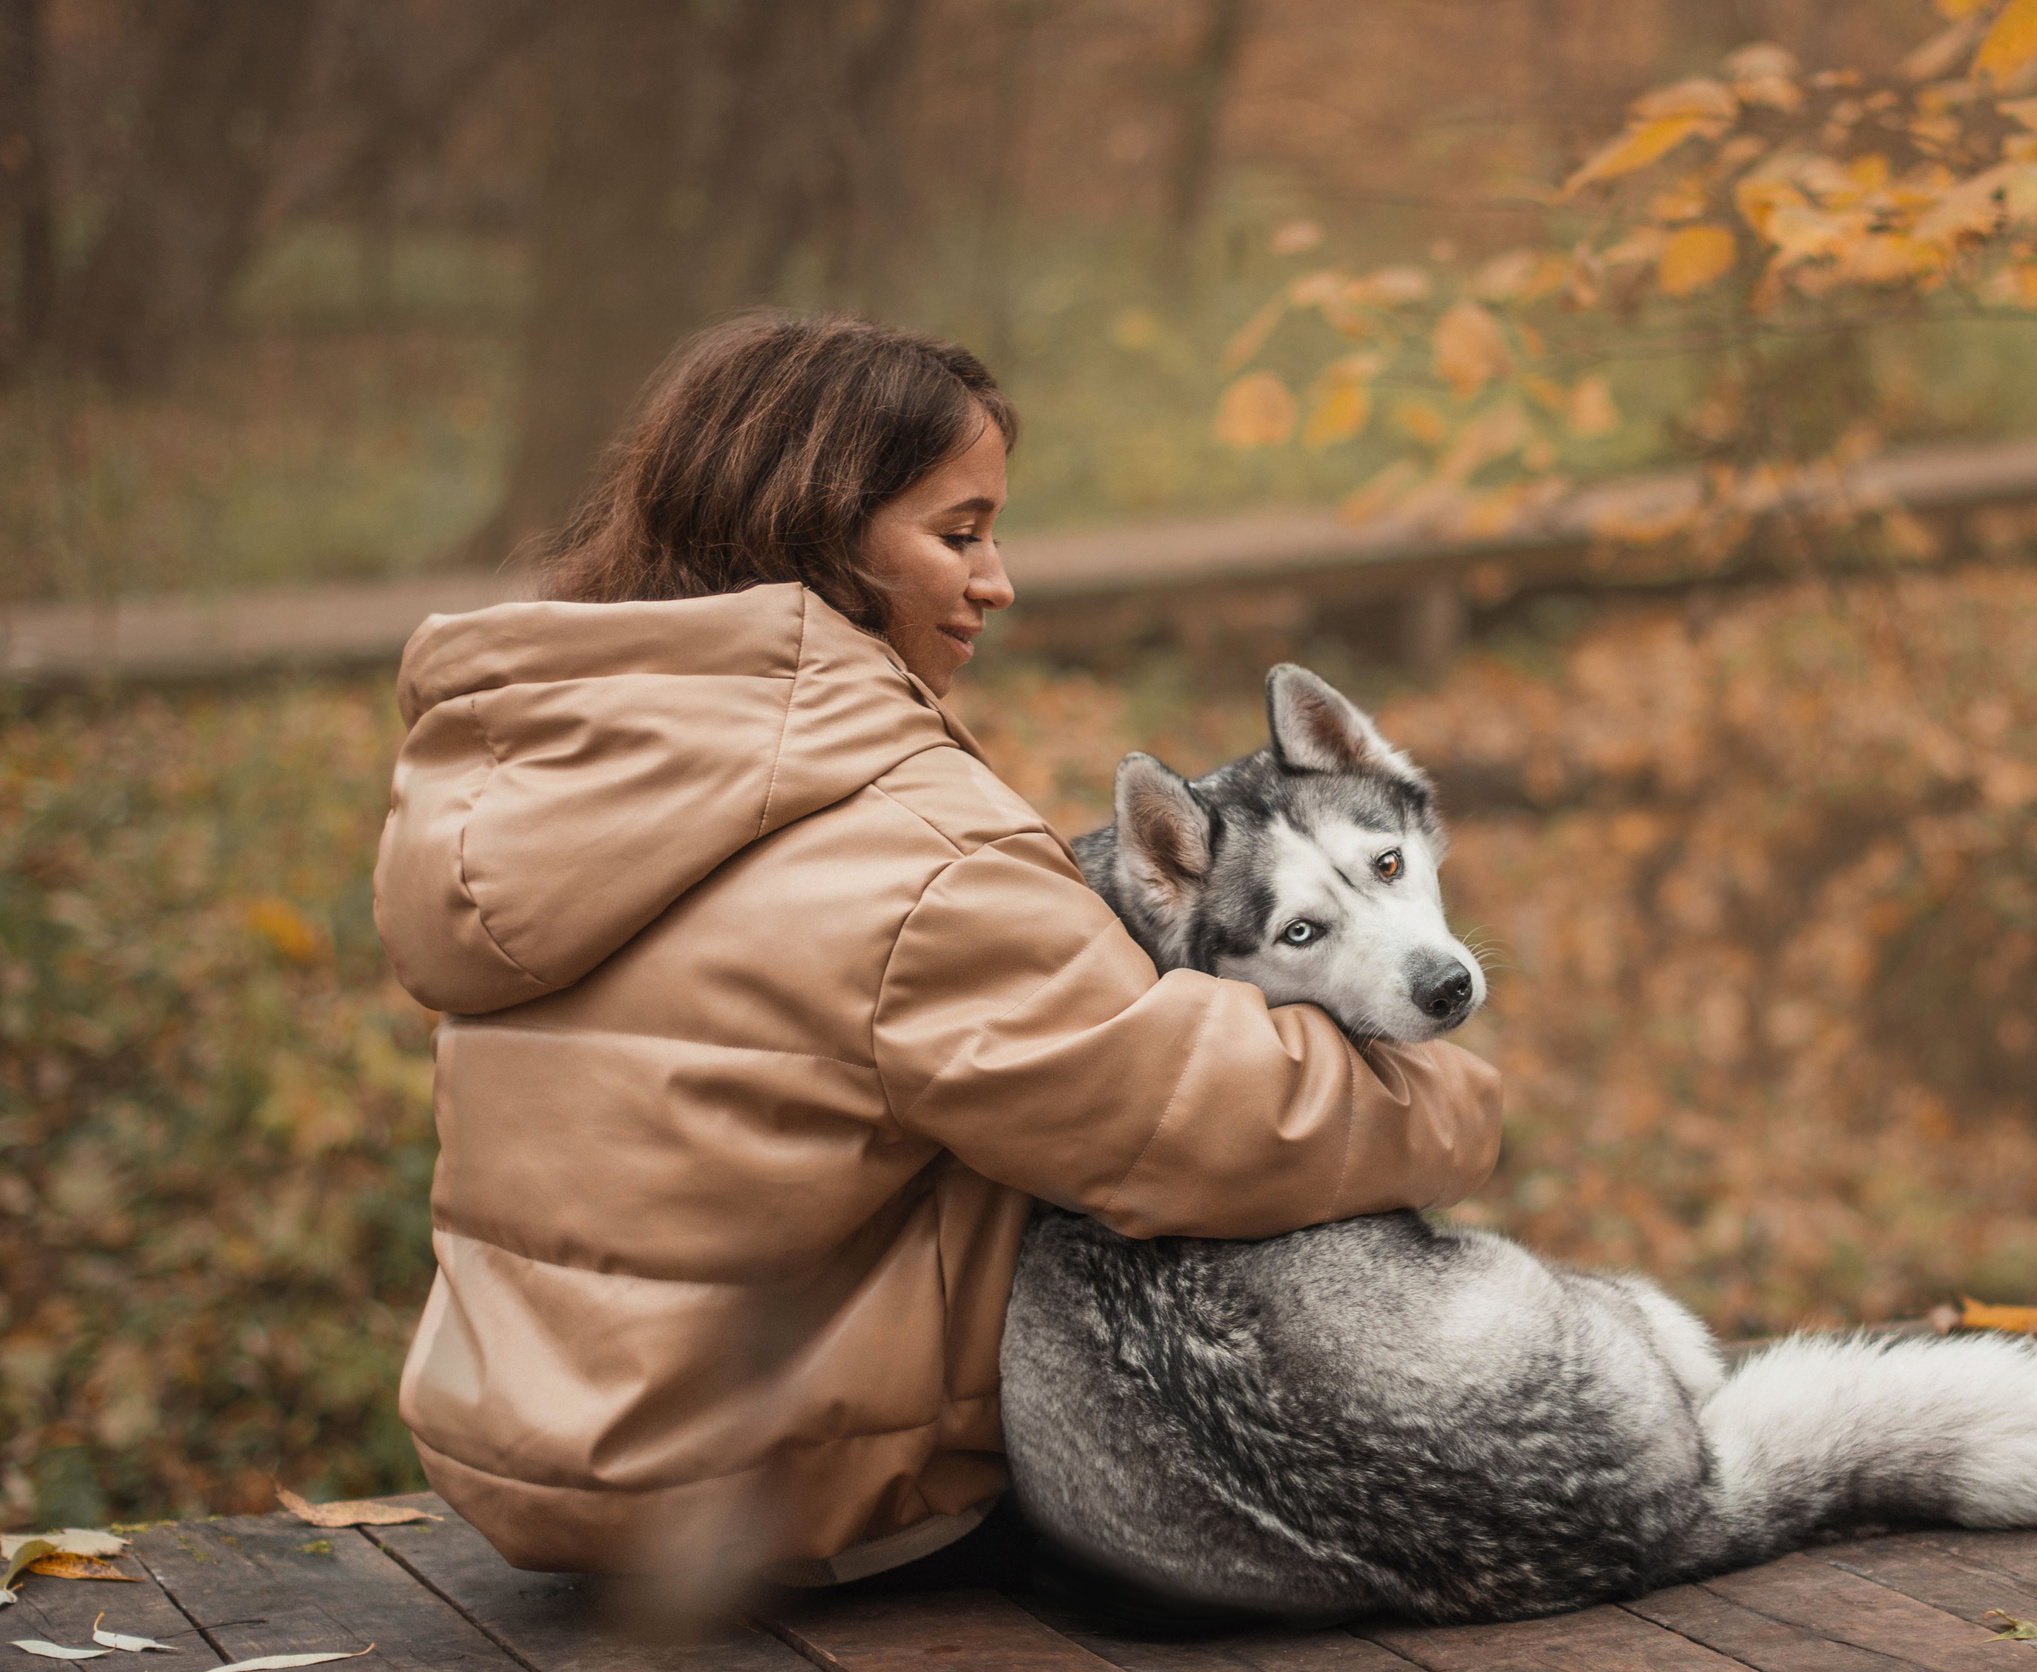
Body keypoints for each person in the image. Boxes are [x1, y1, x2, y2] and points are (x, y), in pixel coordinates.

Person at [371, 312, 1503, 1596]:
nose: (997, 580)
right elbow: (1194, 1123)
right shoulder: (912, 851)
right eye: (958, 534)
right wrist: (1453, 1096)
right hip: (796, 1489)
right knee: (1165, 1201)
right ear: (815, 533)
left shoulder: (536, 771)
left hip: (535, 1463)